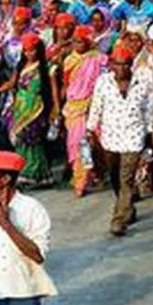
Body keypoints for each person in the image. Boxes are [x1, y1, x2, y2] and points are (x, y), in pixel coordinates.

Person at [0, 151, 57, 305]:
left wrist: (6, 224)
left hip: (24, 291)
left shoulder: (33, 209)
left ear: (5, 179)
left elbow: (37, 255)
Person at [85, 43, 153, 236]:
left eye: (125, 64)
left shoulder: (142, 82)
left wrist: (149, 133)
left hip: (134, 137)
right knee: (115, 177)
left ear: (131, 65)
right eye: (117, 64)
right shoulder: (103, 82)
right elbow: (96, 106)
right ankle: (128, 207)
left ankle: (119, 218)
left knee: (126, 179)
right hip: (110, 138)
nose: (121, 69)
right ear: (111, 65)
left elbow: (148, 110)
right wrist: (90, 130)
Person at [0, 32, 57, 188]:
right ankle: (24, 171)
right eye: (26, 50)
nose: (29, 54)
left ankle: (36, 174)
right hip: (20, 107)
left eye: (32, 50)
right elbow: (11, 84)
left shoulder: (47, 69)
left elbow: (53, 92)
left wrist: (55, 111)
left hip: (36, 108)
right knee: (20, 140)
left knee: (33, 141)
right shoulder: (21, 66)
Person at [60, 25, 107, 196]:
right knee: (77, 144)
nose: (77, 45)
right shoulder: (69, 60)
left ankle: (90, 176)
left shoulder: (99, 59)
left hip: (95, 105)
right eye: (75, 42)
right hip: (74, 107)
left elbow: (105, 82)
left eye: (80, 42)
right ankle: (81, 177)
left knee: (96, 144)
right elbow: (66, 84)